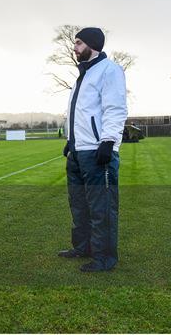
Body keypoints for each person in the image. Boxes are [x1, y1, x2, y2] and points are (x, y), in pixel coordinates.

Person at [59, 27, 127, 272]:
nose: (74, 47)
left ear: (92, 44)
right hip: (78, 152)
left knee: (102, 208)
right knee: (79, 205)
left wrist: (108, 141)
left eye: (78, 43)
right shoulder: (82, 76)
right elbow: (80, 113)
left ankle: (104, 258)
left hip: (97, 151)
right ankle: (83, 247)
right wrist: (71, 140)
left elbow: (115, 108)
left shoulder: (109, 70)